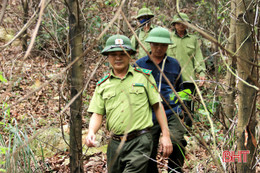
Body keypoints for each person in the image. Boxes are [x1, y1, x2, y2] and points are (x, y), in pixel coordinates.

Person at [85, 34, 173, 173]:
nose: (118, 58)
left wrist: (166, 135)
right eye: (113, 54)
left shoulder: (144, 77)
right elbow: (97, 113)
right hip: (114, 144)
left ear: (130, 55)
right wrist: (91, 132)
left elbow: (157, 106)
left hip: (140, 140)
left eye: (122, 53)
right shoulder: (103, 84)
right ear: (108, 56)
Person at [136, 27, 187, 173]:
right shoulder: (140, 65)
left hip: (171, 111)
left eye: (163, 45)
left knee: (177, 141)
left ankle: (174, 170)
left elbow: (180, 89)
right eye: (155, 44)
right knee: (146, 147)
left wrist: (182, 111)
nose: (159, 48)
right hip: (148, 113)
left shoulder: (174, 64)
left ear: (168, 46)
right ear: (150, 44)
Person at [167, 12, 207, 127]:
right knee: (173, 104)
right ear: (174, 25)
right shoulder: (168, 38)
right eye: (178, 23)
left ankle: (188, 130)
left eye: (183, 23)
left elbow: (198, 57)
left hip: (188, 79)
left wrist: (201, 72)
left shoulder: (193, 39)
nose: (181, 25)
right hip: (172, 79)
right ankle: (175, 129)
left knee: (188, 106)